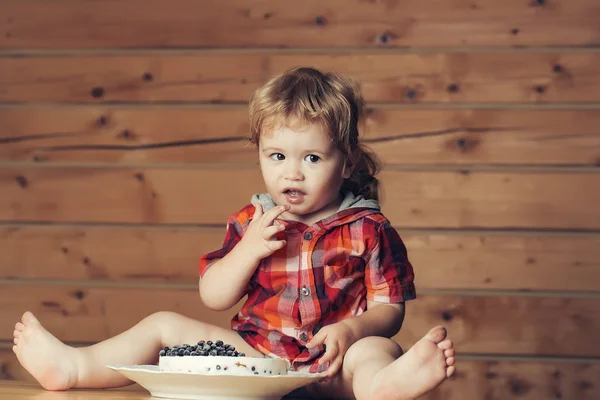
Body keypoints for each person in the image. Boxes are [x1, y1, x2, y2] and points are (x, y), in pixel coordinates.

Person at [12, 67, 455, 400]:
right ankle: (75, 367)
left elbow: (389, 309)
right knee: (164, 324)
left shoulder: (368, 228)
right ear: (260, 154)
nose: (292, 173)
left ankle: (383, 387)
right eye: (277, 155)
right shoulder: (251, 221)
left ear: (349, 160)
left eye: (313, 159)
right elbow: (215, 296)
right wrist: (248, 250)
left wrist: (352, 332)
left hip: (333, 368)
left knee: (378, 348)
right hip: (255, 364)